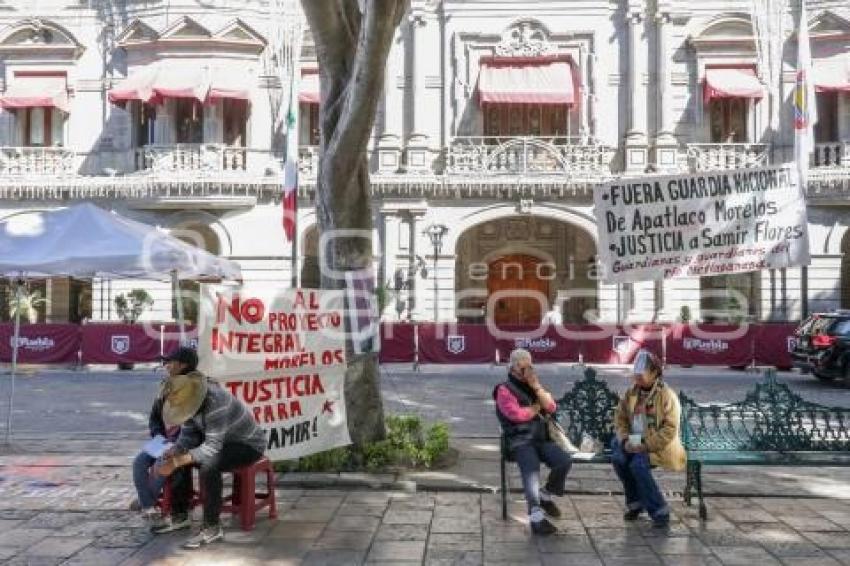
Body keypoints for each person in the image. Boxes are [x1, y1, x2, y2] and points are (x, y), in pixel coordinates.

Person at [156, 360, 267, 549]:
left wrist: (180, 460)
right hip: (221, 441)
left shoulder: (216, 401)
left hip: (247, 444)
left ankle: (212, 527)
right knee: (177, 458)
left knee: (209, 466)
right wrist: (175, 451)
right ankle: (180, 515)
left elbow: (212, 447)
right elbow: (188, 435)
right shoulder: (188, 401)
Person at [493, 348, 572, 535]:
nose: (527, 372)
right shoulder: (503, 389)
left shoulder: (534, 385)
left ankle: (545, 496)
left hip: (540, 438)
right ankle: (536, 518)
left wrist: (536, 387)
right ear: (513, 369)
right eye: (523, 368)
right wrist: (535, 409)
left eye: (530, 367)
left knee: (563, 461)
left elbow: (551, 407)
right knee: (531, 471)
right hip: (519, 440)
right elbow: (516, 415)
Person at [611, 349, 686, 528]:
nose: (637, 379)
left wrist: (645, 445)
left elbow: (669, 430)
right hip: (635, 439)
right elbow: (620, 419)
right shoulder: (631, 392)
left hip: (657, 445)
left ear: (654, 373)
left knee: (638, 465)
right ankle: (635, 503)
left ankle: (659, 510)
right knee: (619, 458)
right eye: (636, 375)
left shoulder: (667, 396)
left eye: (642, 375)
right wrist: (625, 440)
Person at [130, 347, 194, 534]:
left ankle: (145, 501)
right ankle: (149, 504)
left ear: (183, 366)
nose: (166, 365)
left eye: (170, 362)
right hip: (164, 439)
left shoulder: (195, 389)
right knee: (139, 462)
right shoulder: (165, 387)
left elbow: (196, 428)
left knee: (161, 464)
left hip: (185, 443)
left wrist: (178, 444)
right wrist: (159, 437)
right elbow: (154, 419)